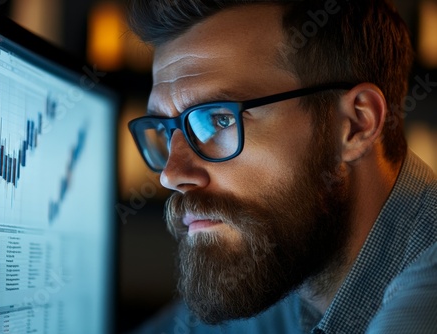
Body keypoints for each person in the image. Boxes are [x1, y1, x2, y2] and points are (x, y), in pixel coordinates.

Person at [125, 0, 437, 333]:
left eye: (218, 120)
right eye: (165, 130)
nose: (171, 175)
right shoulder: (286, 257)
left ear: (355, 125)